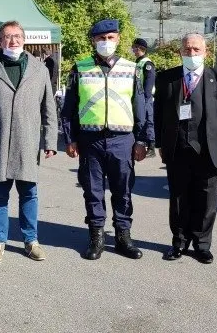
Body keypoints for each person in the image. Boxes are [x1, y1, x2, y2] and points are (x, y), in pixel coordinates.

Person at [60, 19, 153, 261]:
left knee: (123, 190)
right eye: (101, 38)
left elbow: (141, 106)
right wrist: (70, 138)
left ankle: (123, 236)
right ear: (93, 40)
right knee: (93, 190)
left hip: (123, 139)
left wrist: (143, 140)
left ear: (119, 39)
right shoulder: (79, 68)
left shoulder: (132, 69)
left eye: (111, 37)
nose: (106, 42)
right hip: (90, 140)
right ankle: (96, 237)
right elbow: (68, 107)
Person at [0, 21, 58, 263]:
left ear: (24, 39)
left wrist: (50, 140)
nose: (13, 41)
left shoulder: (39, 69)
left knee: (29, 193)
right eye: (7, 37)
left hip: (28, 141)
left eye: (17, 36)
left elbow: (49, 106)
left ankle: (31, 241)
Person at [154, 33, 217, 264]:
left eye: (196, 50)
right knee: (179, 198)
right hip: (178, 147)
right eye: (187, 50)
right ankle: (179, 242)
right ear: (181, 52)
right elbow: (158, 113)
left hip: (209, 150)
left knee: (206, 198)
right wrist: (160, 143)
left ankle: (202, 244)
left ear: (206, 52)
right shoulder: (167, 78)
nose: (191, 54)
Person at [131, 38, 156, 157]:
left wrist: (146, 97)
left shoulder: (147, 63)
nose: (134, 50)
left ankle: (151, 146)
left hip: (145, 97)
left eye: (136, 47)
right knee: (140, 119)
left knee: (148, 119)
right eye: (133, 47)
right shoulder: (138, 62)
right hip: (138, 96)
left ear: (142, 49)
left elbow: (149, 82)